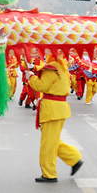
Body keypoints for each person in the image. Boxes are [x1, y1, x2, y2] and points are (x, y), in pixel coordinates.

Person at [26, 53, 83, 182]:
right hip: (59, 107)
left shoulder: (51, 67)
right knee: (52, 141)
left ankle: (49, 174)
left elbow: (41, 86)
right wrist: (34, 69)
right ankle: (74, 159)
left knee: (48, 145)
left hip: (51, 108)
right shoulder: (61, 66)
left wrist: (31, 78)